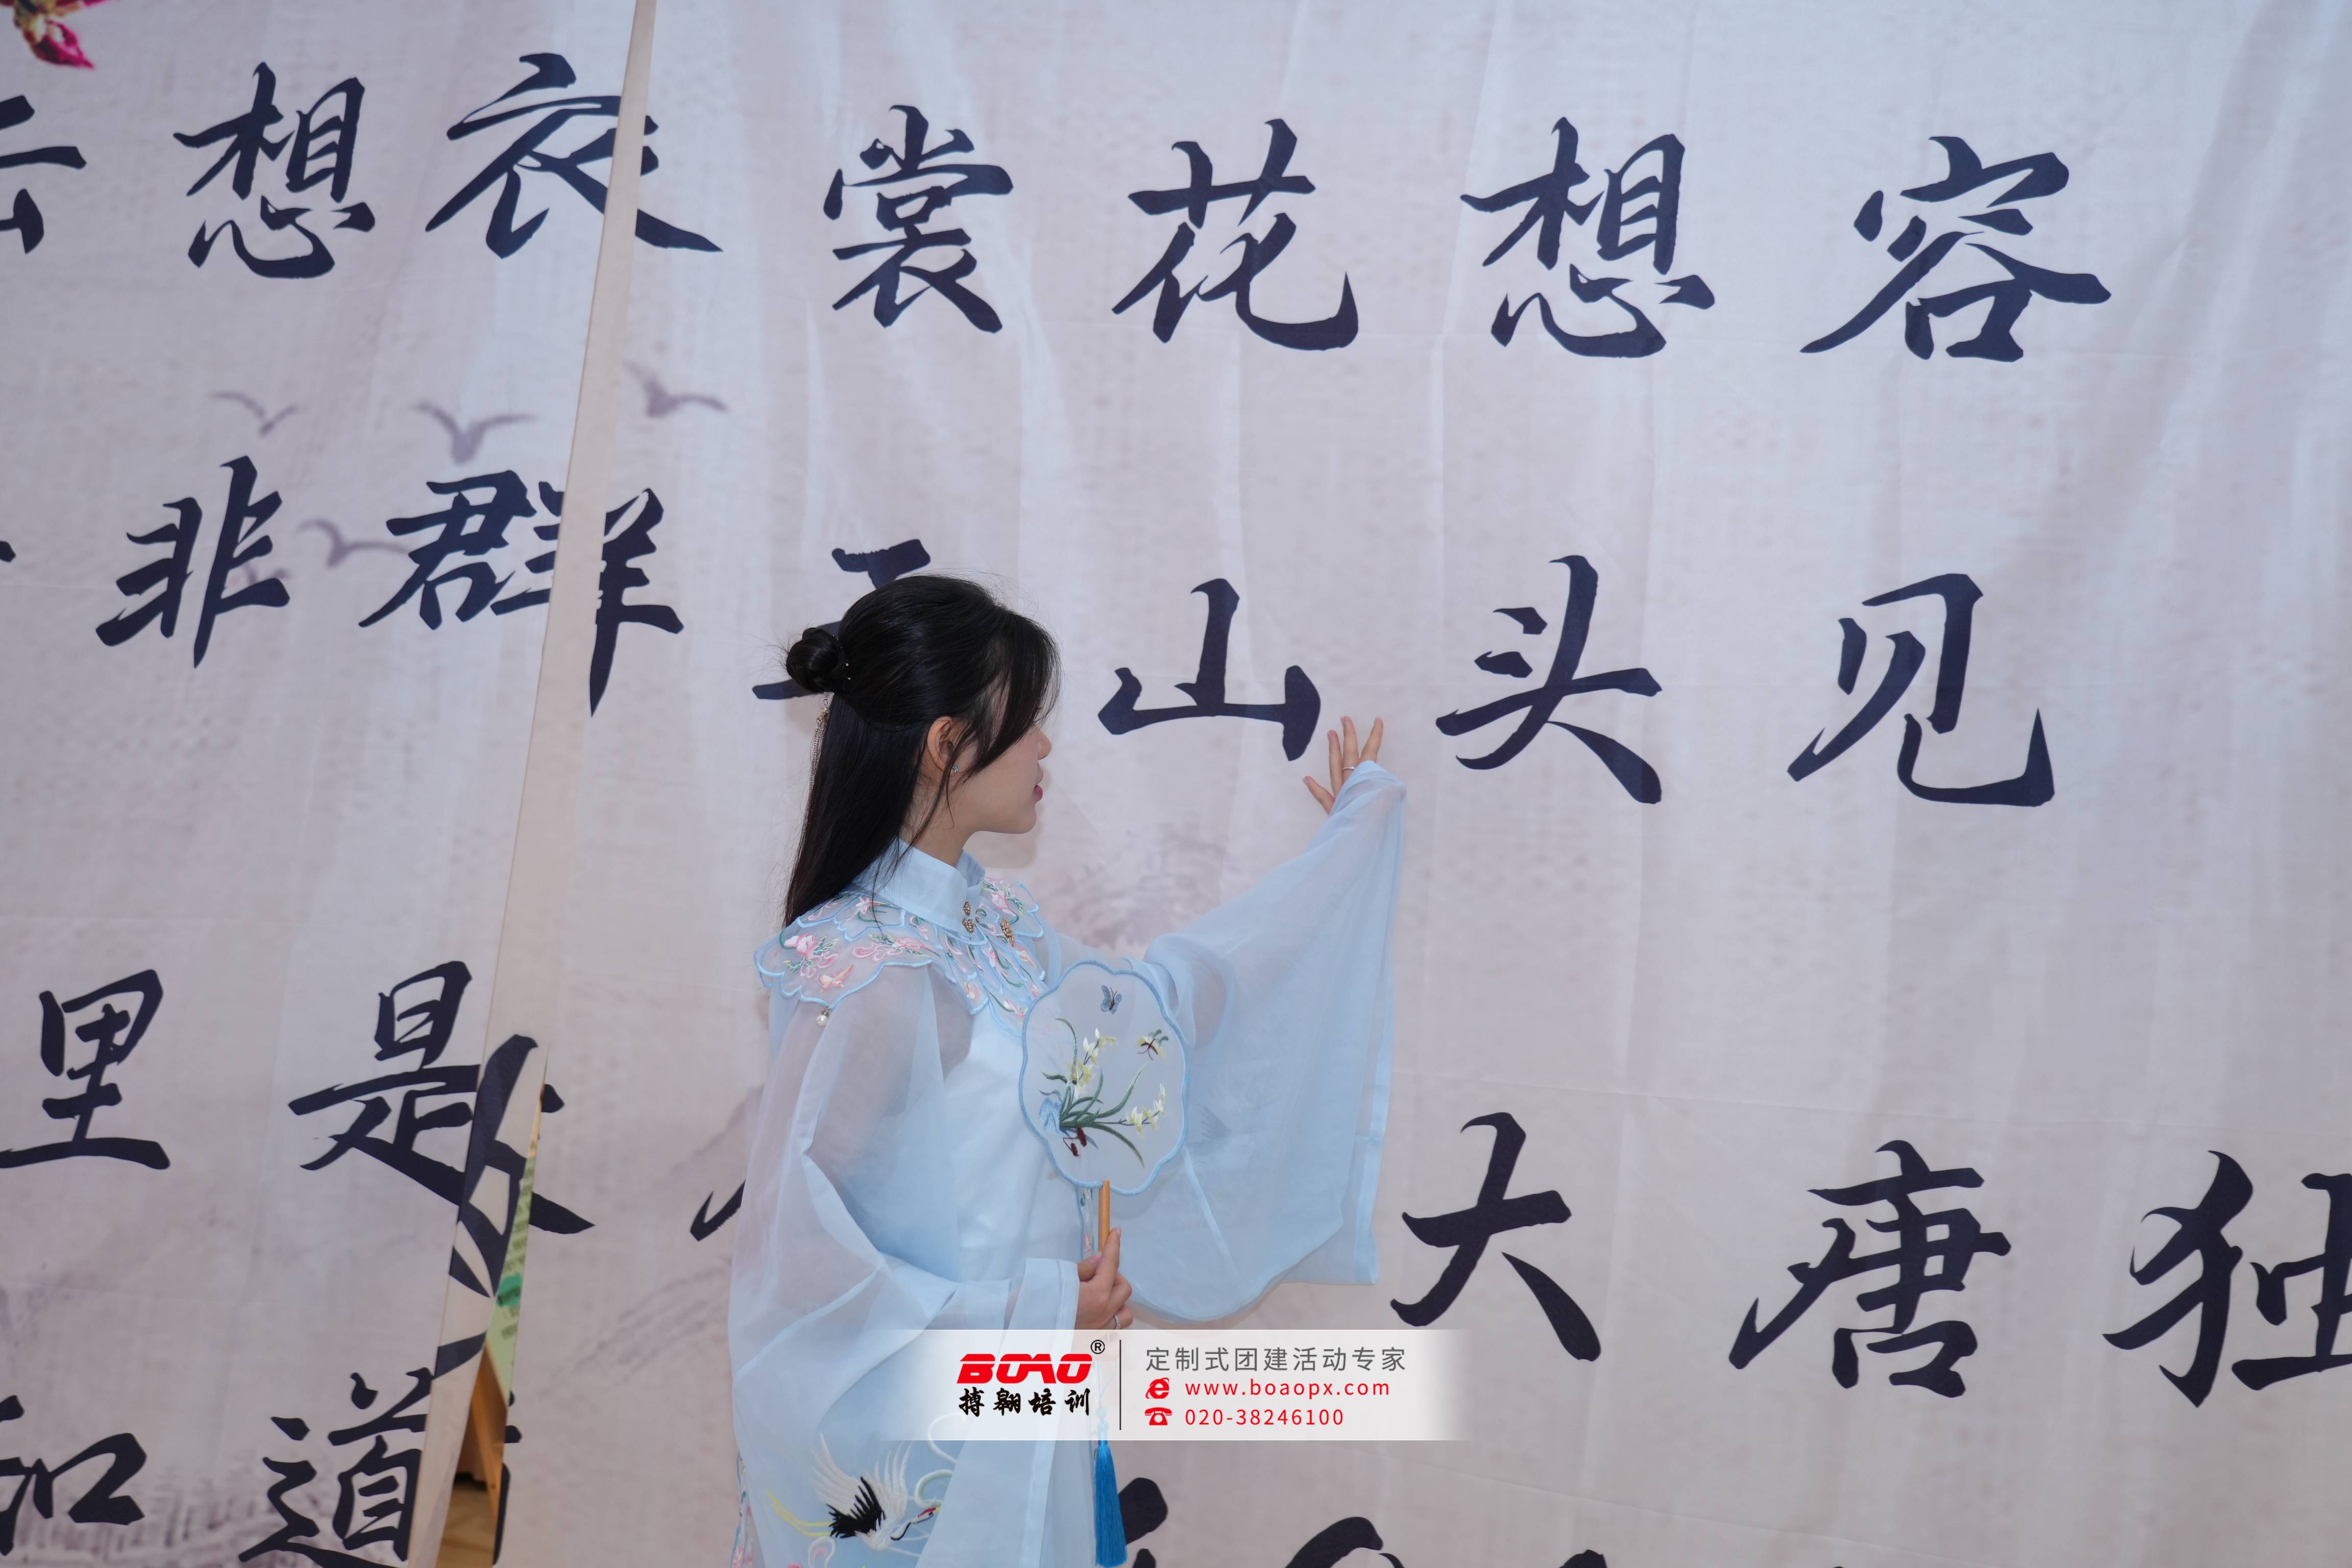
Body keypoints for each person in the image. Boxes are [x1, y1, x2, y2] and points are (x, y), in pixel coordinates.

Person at [729, 574, 1404, 1568]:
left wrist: (1342, 860)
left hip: (1027, 1396)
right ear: (946, 743)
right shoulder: (873, 973)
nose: (1044, 745)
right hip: (933, 1450)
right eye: (1026, 720)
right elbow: (807, 1265)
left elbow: (1164, 1013)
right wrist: (1033, 1316)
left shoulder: (998, 933)